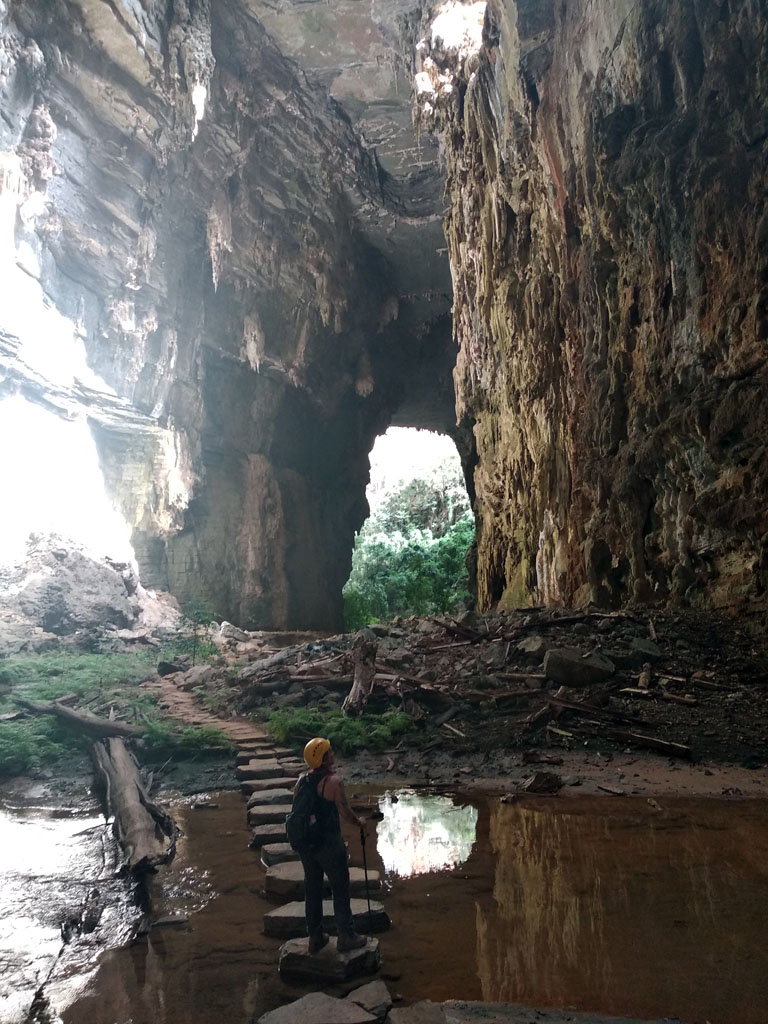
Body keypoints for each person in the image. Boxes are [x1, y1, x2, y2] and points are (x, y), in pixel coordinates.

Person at [297, 736, 368, 954]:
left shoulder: (302, 780)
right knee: (340, 888)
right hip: (329, 843)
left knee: (313, 888)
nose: (333, 754)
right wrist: (360, 822)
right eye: (330, 751)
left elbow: (297, 813)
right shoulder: (334, 783)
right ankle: (346, 936)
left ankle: (315, 937)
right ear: (324, 757)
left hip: (308, 845)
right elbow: (345, 812)